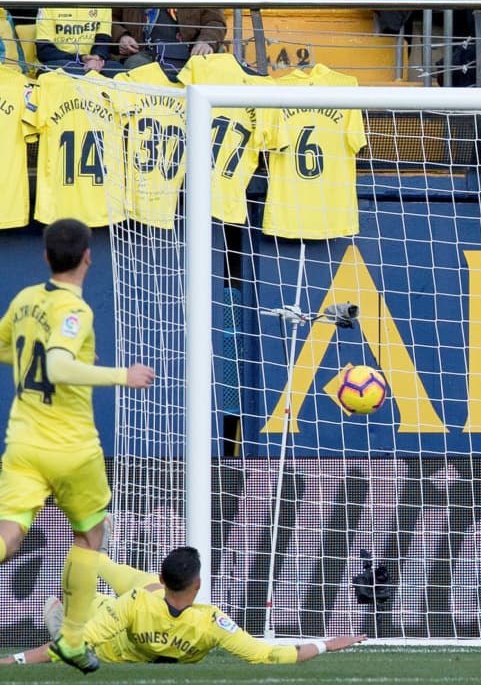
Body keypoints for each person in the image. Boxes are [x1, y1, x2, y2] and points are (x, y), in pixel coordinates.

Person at [0, 218, 156, 672]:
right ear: (88, 255)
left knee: (10, 533)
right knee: (89, 535)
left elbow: (14, 350)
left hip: (23, 442)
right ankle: (71, 639)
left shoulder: (26, 299)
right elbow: (58, 367)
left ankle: (71, 639)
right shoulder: (76, 310)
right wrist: (121, 376)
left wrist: (62, 358)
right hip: (71, 448)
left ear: (46, 256)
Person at [1, 546, 367, 665]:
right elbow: (270, 655)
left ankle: (94, 561)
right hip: (125, 630)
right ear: (199, 585)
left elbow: (69, 647)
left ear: (165, 580)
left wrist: (12, 660)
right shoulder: (212, 622)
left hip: (112, 630)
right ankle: (96, 563)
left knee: (75, 581)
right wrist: (326, 643)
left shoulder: (135, 603)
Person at [109, 0, 226, 81]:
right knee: (136, 66)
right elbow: (109, 17)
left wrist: (206, 41)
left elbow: (215, 21)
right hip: (142, 53)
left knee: (220, 73)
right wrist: (121, 37)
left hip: (190, 54)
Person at [33, 0, 124, 76]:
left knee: (120, 72)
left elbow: (103, 39)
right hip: (61, 62)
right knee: (74, 71)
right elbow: (44, 51)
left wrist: (97, 57)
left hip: (92, 62)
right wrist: (81, 58)